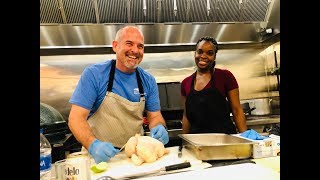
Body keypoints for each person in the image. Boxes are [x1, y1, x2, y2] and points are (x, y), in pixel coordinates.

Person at [68, 26, 169, 164]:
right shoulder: (94, 75)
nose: (135, 50)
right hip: (98, 159)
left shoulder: (148, 80)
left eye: (140, 46)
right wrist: (93, 145)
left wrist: (159, 127)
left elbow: (155, 116)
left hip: (135, 158)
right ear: (115, 46)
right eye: (129, 44)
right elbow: (76, 118)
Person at [181, 36, 248, 134]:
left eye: (209, 53)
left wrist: (245, 137)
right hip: (197, 143)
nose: (203, 56)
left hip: (224, 140)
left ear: (215, 57)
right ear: (195, 53)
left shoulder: (225, 76)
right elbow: (186, 116)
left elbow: (236, 110)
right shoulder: (185, 83)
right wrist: (185, 142)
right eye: (200, 52)